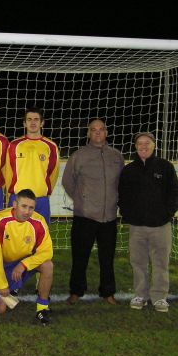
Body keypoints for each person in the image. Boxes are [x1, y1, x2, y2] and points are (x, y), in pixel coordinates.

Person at [62, 119, 124, 305]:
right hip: (85, 217)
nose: (97, 132)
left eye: (101, 129)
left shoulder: (116, 156)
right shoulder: (78, 156)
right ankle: (75, 291)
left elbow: (122, 183)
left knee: (107, 258)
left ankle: (108, 292)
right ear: (88, 133)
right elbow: (67, 182)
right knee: (80, 257)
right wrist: (81, 199)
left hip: (109, 217)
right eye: (93, 130)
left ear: (106, 132)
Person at [118, 132, 178, 313]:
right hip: (137, 227)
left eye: (147, 143)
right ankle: (141, 295)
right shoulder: (129, 170)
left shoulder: (165, 167)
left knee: (160, 262)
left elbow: (175, 194)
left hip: (161, 226)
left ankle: (159, 297)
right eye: (139, 143)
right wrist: (128, 215)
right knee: (138, 262)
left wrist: (166, 215)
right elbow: (122, 197)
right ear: (135, 146)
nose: (143, 146)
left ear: (154, 145)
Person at [0, 189, 54, 325]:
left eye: (31, 208)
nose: (27, 211)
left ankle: (42, 309)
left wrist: (24, 264)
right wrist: (1, 284)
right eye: (24, 206)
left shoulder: (39, 221)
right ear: (14, 204)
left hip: (24, 263)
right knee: (0, 309)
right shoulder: (0, 220)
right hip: (5, 265)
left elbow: (47, 252)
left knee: (48, 265)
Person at [5, 106, 59, 225]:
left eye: (36, 119)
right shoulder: (14, 145)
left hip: (40, 200)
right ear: (24, 123)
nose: (33, 122)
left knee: (40, 238)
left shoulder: (51, 147)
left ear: (42, 123)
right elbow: (8, 173)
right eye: (29, 119)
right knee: (14, 237)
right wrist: (10, 196)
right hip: (18, 198)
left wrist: (44, 191)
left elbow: (53, 173)